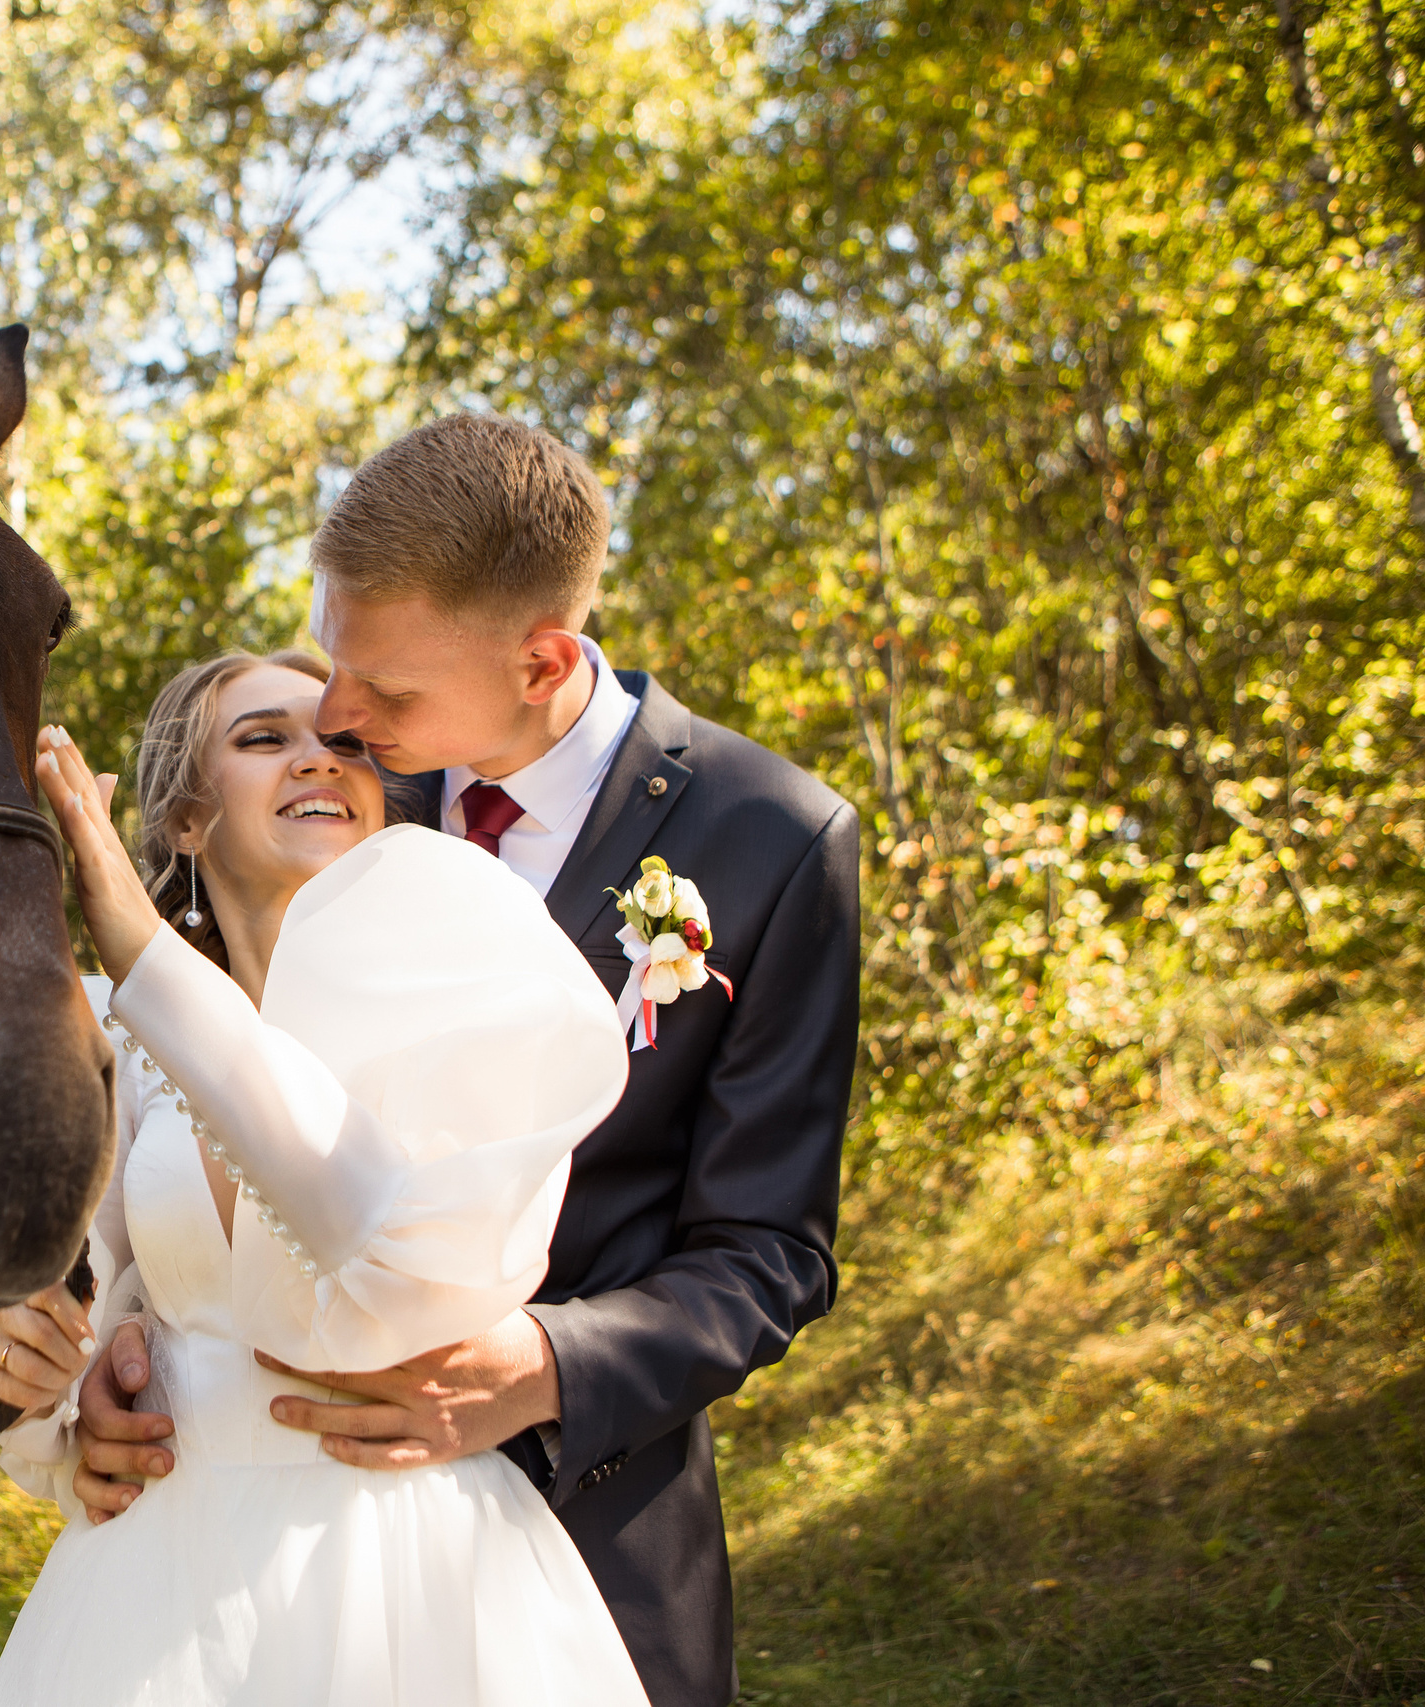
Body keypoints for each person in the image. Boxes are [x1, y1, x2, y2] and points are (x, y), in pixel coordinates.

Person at [68, 415, 861, 1707]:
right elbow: (206, 1122)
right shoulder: (356, 787)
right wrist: (113, 1372)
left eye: (380, 689)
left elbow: (772, 1247)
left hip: (587, 1523)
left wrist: (540, 1368)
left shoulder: (771, 836)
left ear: (543, 659)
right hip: (243, 1559)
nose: (335, 718)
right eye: (332, 668)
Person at [0, 646, 650, 1705]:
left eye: (345, 744)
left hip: (413, 1577)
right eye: (265, 738)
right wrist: (31, 1371)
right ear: (189, 823)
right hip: (155, 1589)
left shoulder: (460, 981)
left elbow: (383, 1251)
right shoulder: (114, 1032)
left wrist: (137, 940)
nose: (319, 758)